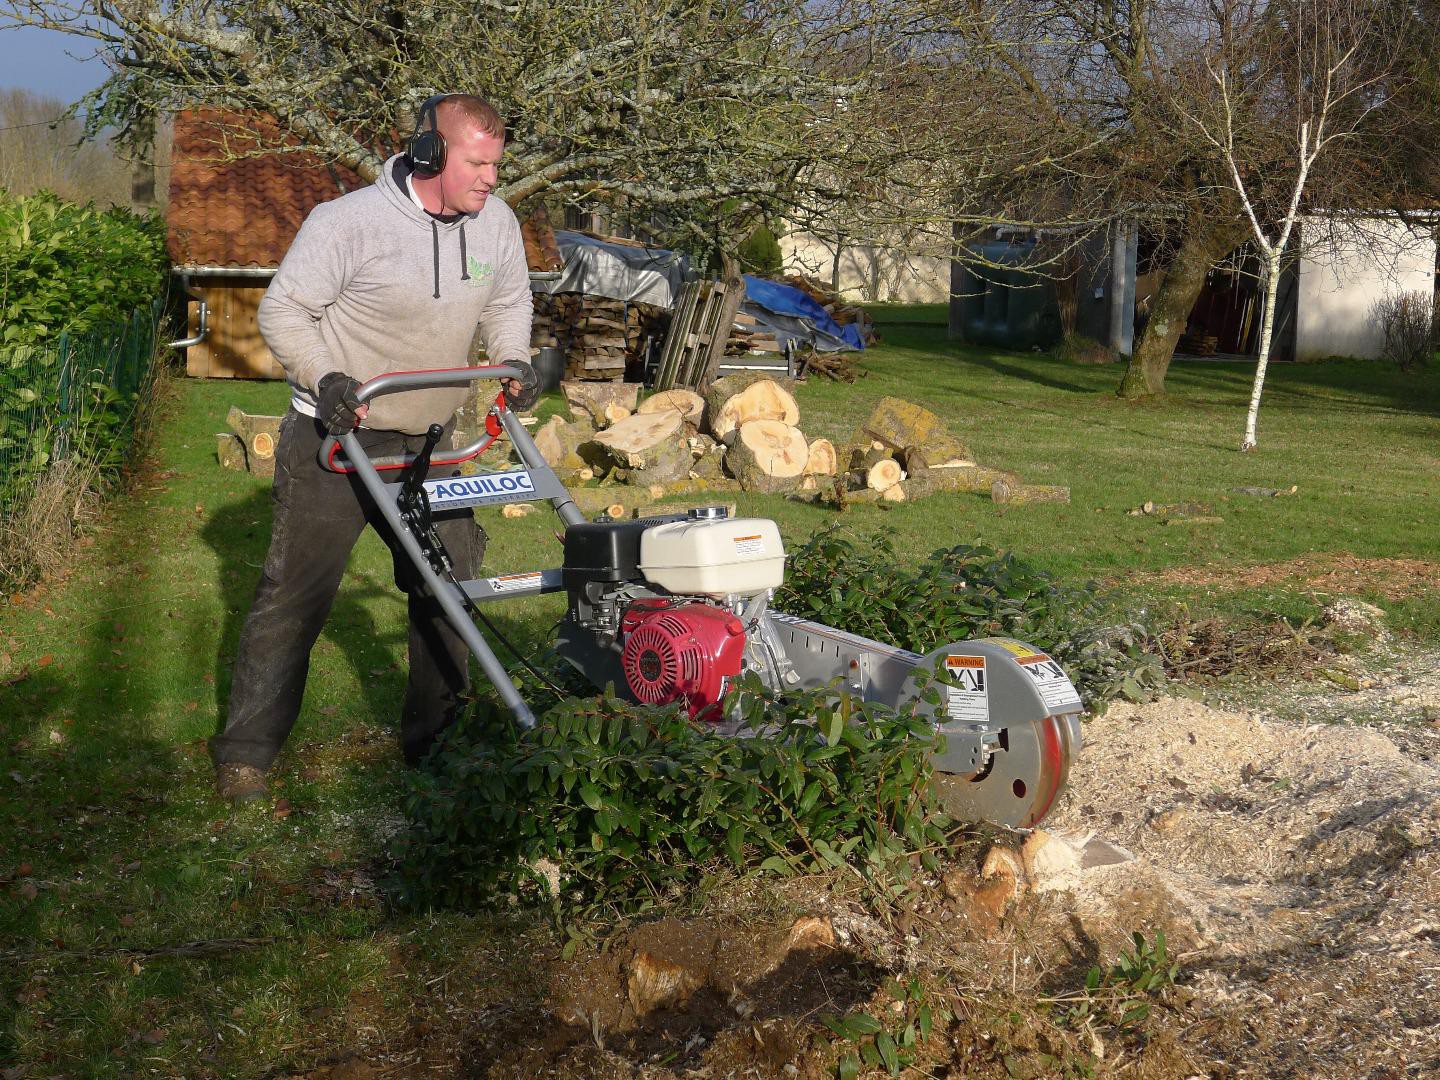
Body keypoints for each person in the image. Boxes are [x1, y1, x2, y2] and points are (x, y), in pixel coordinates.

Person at [212, 94, 538, 803]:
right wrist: (324, 377)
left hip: (431, 444)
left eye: (495, 166)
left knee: (448, 587)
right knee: (295, 595)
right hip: (338, 434)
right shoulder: (348, 223)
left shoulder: (497, 225)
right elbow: (283, 311)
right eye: (478, 165)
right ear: (430, 154)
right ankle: (245, 756)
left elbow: (509, 302)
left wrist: (514, 362)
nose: (491, 179)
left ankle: (438, 747)